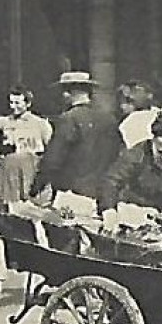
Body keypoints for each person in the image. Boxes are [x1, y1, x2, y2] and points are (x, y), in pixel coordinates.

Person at [33, 71, 124, 216]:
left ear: (68, 93)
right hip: (104, 197)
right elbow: (120, 154)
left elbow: (53, 159)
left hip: (72, 195)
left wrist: (37, 186)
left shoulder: (69, 119)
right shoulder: (110, 119)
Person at [0, 86, 52, 205]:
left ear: (28, 103)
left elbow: (50, 147)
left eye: (17, 103)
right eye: (11, 102)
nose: (13, 106)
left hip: (32, 168)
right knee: (10, 203)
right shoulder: (3, 122)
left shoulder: (40, 123)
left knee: (33, 204)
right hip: (11, 169)